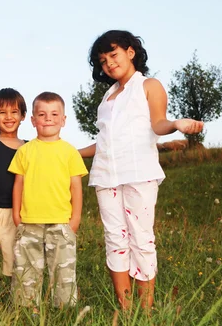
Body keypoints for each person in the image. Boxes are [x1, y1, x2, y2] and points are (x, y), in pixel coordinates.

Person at [79, 30, 204, 310]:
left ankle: (144, 312)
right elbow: (103, 142)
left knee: (141, 238)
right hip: (105, 175)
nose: (109, 63)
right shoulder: (107, 98)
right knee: (114, 238)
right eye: (102, 61)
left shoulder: (148, 85)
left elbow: (157, 124)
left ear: (130, 52)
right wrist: (67, 153)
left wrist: (176, 124)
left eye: (113, 55)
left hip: (138, 174)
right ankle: (126, 308)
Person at [9, 92, 88, 311]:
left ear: (63, 119)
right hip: (29, 221)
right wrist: (17, 215)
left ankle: (64, 309)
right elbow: (18, 184)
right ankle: (26, 308)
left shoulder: (70, 152)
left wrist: (76, 218)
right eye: (42, 114)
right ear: (33, 120)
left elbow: (76, 187)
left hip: (61, 221)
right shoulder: (24, 151)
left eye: (54, 114)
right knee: (26, 268)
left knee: (63, 269)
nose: (48, 118)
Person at [0, 88, 27, 279]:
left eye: (14, 112)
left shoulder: (28, 146)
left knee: (15, 262)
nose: (9, 117)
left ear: (23, 115)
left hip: (18, 214)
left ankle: (14, 304)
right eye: (2, 112)